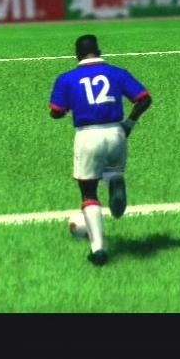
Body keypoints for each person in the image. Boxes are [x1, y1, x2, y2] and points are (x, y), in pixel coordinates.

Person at [49, 35, 152, 266]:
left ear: (77, 55)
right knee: (110, 170)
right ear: (99, 51)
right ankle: (114, 179)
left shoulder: (67, 78)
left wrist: (67, 108)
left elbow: (56, 112)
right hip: (117, 133)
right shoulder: (117, 73)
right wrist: (129, 123)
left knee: (89, 193)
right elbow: (144, 99)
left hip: (88, 135)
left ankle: (98, 249)